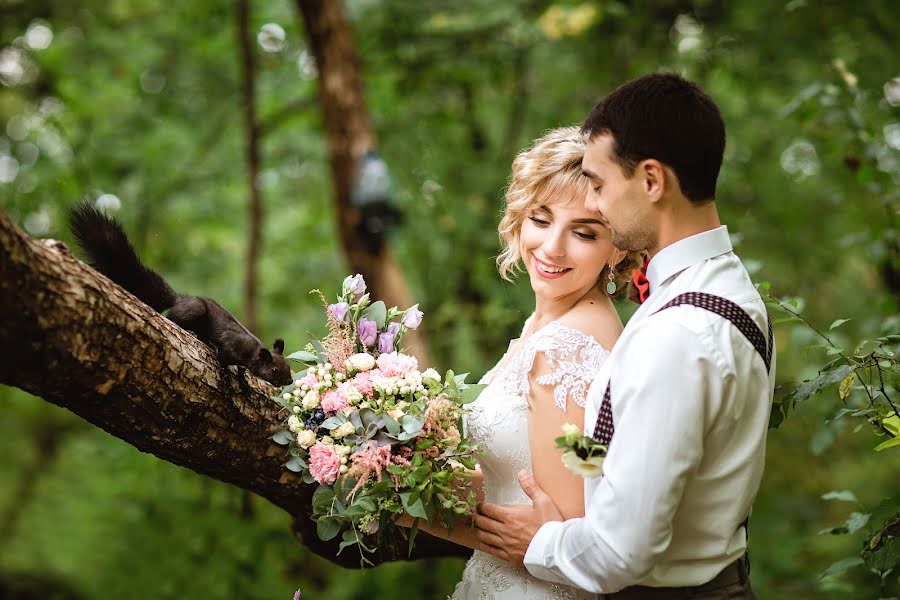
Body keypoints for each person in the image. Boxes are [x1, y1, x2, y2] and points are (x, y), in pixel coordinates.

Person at [473, 73, 775, 599]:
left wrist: (538, 541)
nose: (597, 203)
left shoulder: (677, 334)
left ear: (652, 180)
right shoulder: (723, 290)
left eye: (598, 185)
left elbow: (622, 551)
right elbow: (623, 455)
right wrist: (553, 437)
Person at [400, 126, 639, 599]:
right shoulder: (549, 326)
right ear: (519, 218)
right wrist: (401, 474)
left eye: (584, 233)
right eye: (541, 218)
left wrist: (410, 507)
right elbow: (519, 482)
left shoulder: (566, 349)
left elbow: (560, 531)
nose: (552, 248)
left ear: (618, 248)